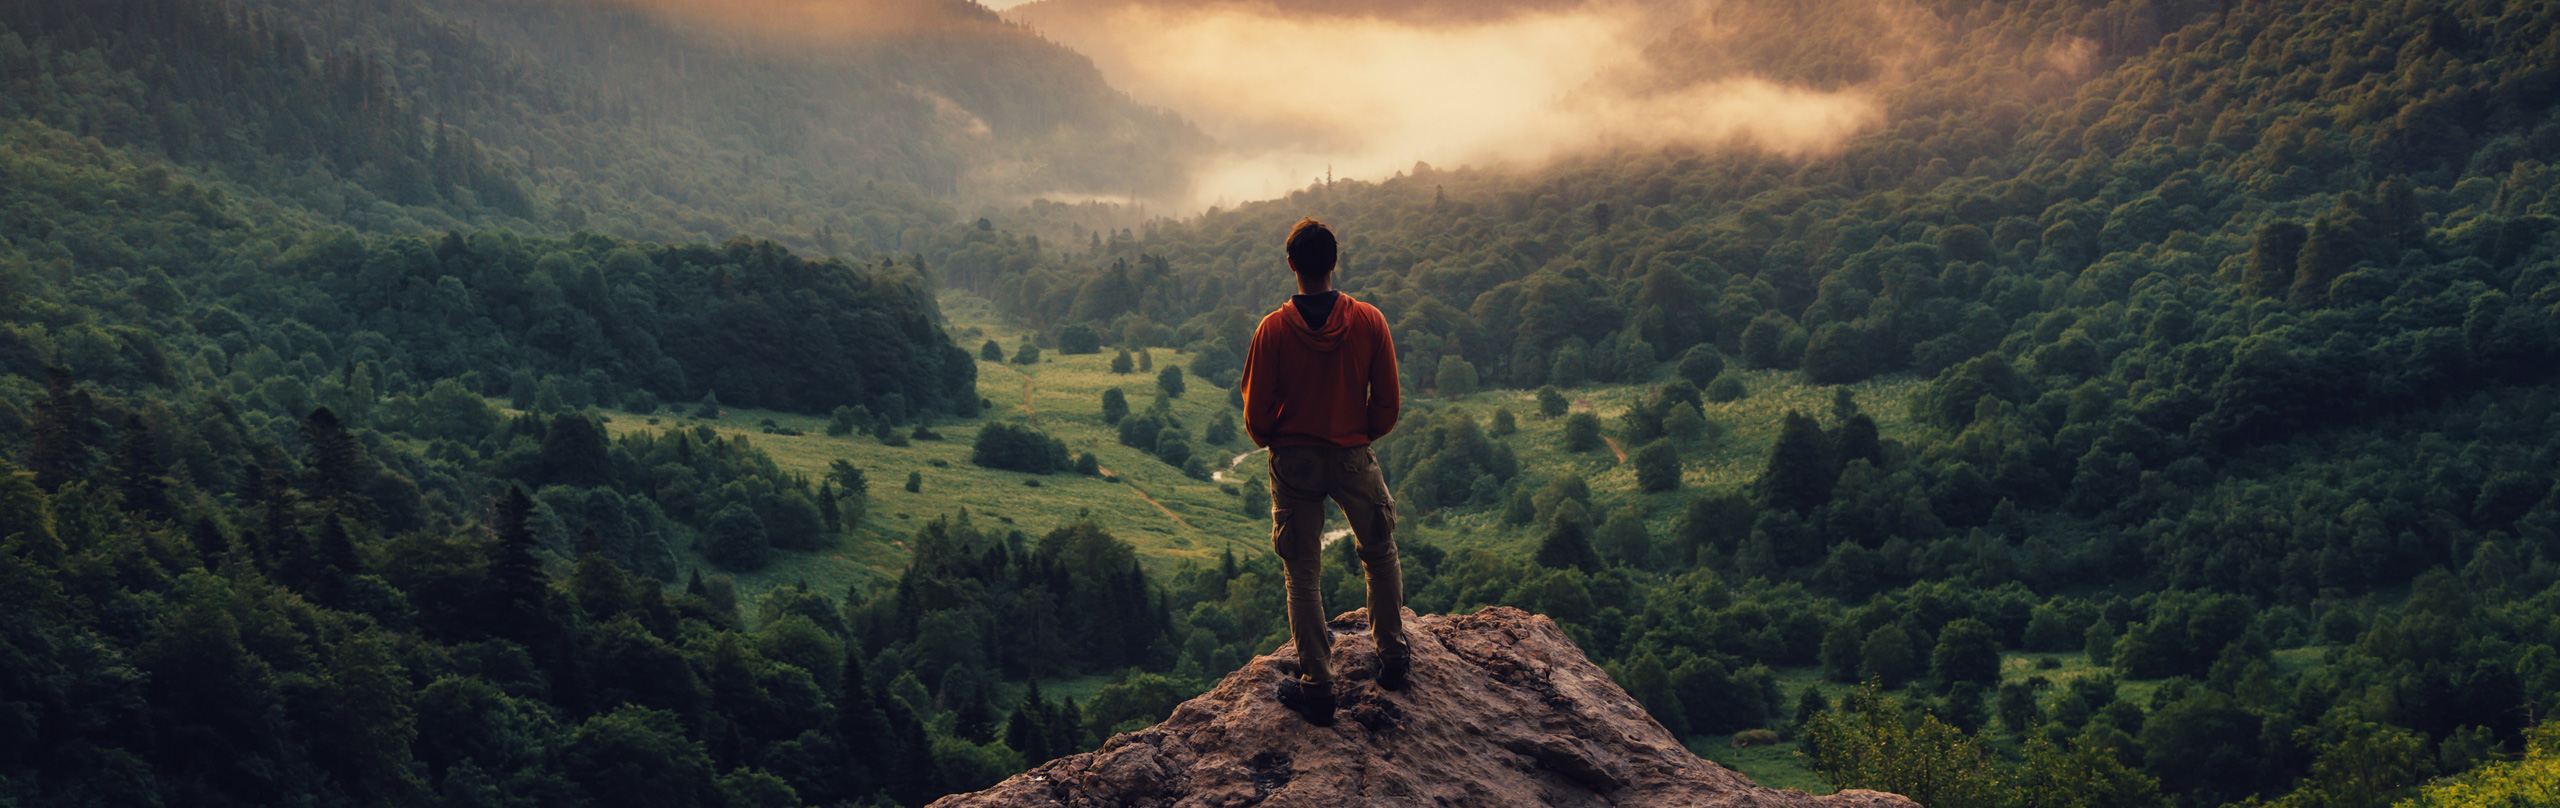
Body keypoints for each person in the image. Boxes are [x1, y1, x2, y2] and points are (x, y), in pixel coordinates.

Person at [1239, 217, 1409, 726]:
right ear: (1334, 262)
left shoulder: (1272, 329)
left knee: (1302, 572)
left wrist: (1280, 438)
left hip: (1294, 459)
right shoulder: (1369, 322)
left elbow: (1256, 417)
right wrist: (1358, 434)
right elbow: (1388, 403)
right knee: (1379, 553)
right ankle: (1395, 660)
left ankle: (1317, 686)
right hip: (1353, 454)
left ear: (1292, 265)